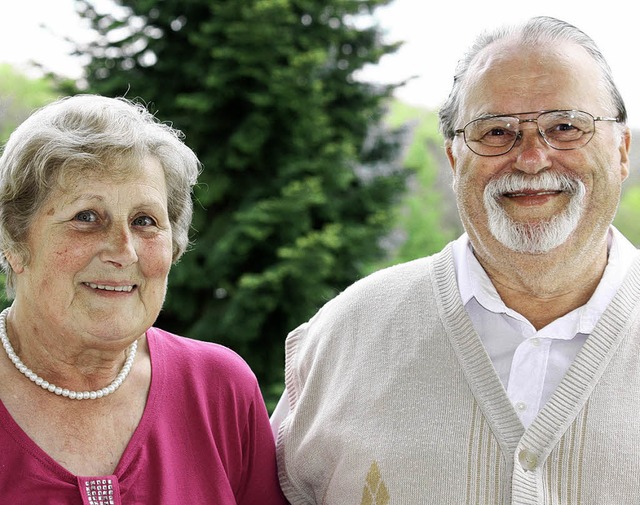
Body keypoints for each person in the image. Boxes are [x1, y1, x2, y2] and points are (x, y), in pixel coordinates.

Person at [271, 16, 640, 504]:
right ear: (452, 159)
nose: (531, 158)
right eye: (495, 131)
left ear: (621, 151)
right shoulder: (344, 335)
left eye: (565, 126)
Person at [0, 95, 288, 504]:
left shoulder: (219, 389)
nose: (124, 251)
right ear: (15, 240)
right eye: (87, 217)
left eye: (145, 222)